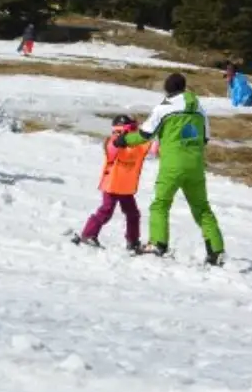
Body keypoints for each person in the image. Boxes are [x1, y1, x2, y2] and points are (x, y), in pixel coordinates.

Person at [116, 72, 225, 265]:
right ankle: (216, 250)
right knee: (202, 208)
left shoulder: (164, 109)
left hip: (172, 166)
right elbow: (205, 138)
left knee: (161, 204)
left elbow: (144, 134)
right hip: (196, 166)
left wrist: (124, 140)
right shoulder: (200, 109)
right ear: (184, 88)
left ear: (167, 89)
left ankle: (158, 243)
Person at [71, 115, 153, 253]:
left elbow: (152, 147)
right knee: (106, 210)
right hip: (111, 185)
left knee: (133, 214)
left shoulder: (137, 145)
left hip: (126, 188)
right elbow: (112, 147)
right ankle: (88, 234)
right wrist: (119, 137)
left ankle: (133, 241)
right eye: (129, 129)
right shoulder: (113, 142)